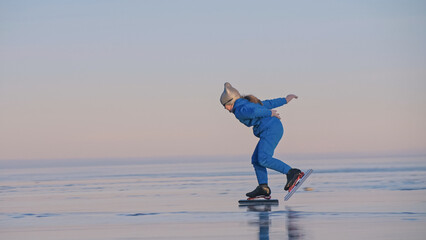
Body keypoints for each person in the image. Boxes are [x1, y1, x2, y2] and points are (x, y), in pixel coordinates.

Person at [220, 82, 302, 199]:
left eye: (225, 105)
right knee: (256, 159)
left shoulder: (239, 110)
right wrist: (285, 99)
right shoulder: (248, 103)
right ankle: (263, 187)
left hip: (270, 129)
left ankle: (292, 173)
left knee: (263, 158)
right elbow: (267, 103)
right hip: (272, 129)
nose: (225, 108)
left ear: (231, 101)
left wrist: (270, 113)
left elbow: (255, 112)